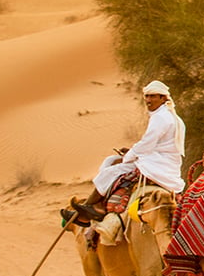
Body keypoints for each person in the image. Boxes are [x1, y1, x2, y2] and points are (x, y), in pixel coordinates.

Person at [69, 80, 187, 222]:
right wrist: (132, 152)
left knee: (110, 171)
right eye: (147, 96)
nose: (148, 100)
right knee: (111, 161)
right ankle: (94, 206)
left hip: (156, 165)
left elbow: (146, 144)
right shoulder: (171, 117)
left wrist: (129, 156)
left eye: (153, 96)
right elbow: (155, 145)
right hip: (165, 164)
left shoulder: (160, 118)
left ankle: (91, 208)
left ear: (163, 98)